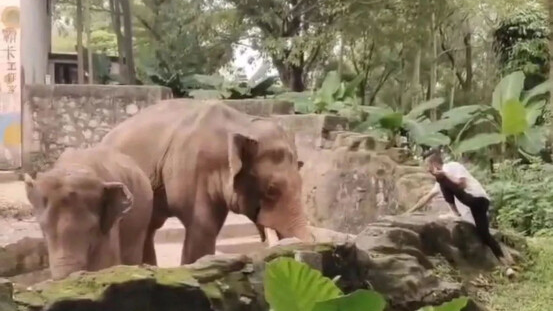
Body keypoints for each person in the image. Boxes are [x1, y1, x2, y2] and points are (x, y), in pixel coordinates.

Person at [406, 150, 512, 267]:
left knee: (442, 182)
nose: (428, 170)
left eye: (428, 166)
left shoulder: (452, 167)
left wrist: (445, 175)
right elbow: (426, 198)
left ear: (435, 164)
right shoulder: (441, 182)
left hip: (476, 199)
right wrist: (409, 211)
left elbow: (462, 184)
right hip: (474, 207)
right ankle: (506, 264)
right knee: (484, 234)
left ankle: (454, 213)